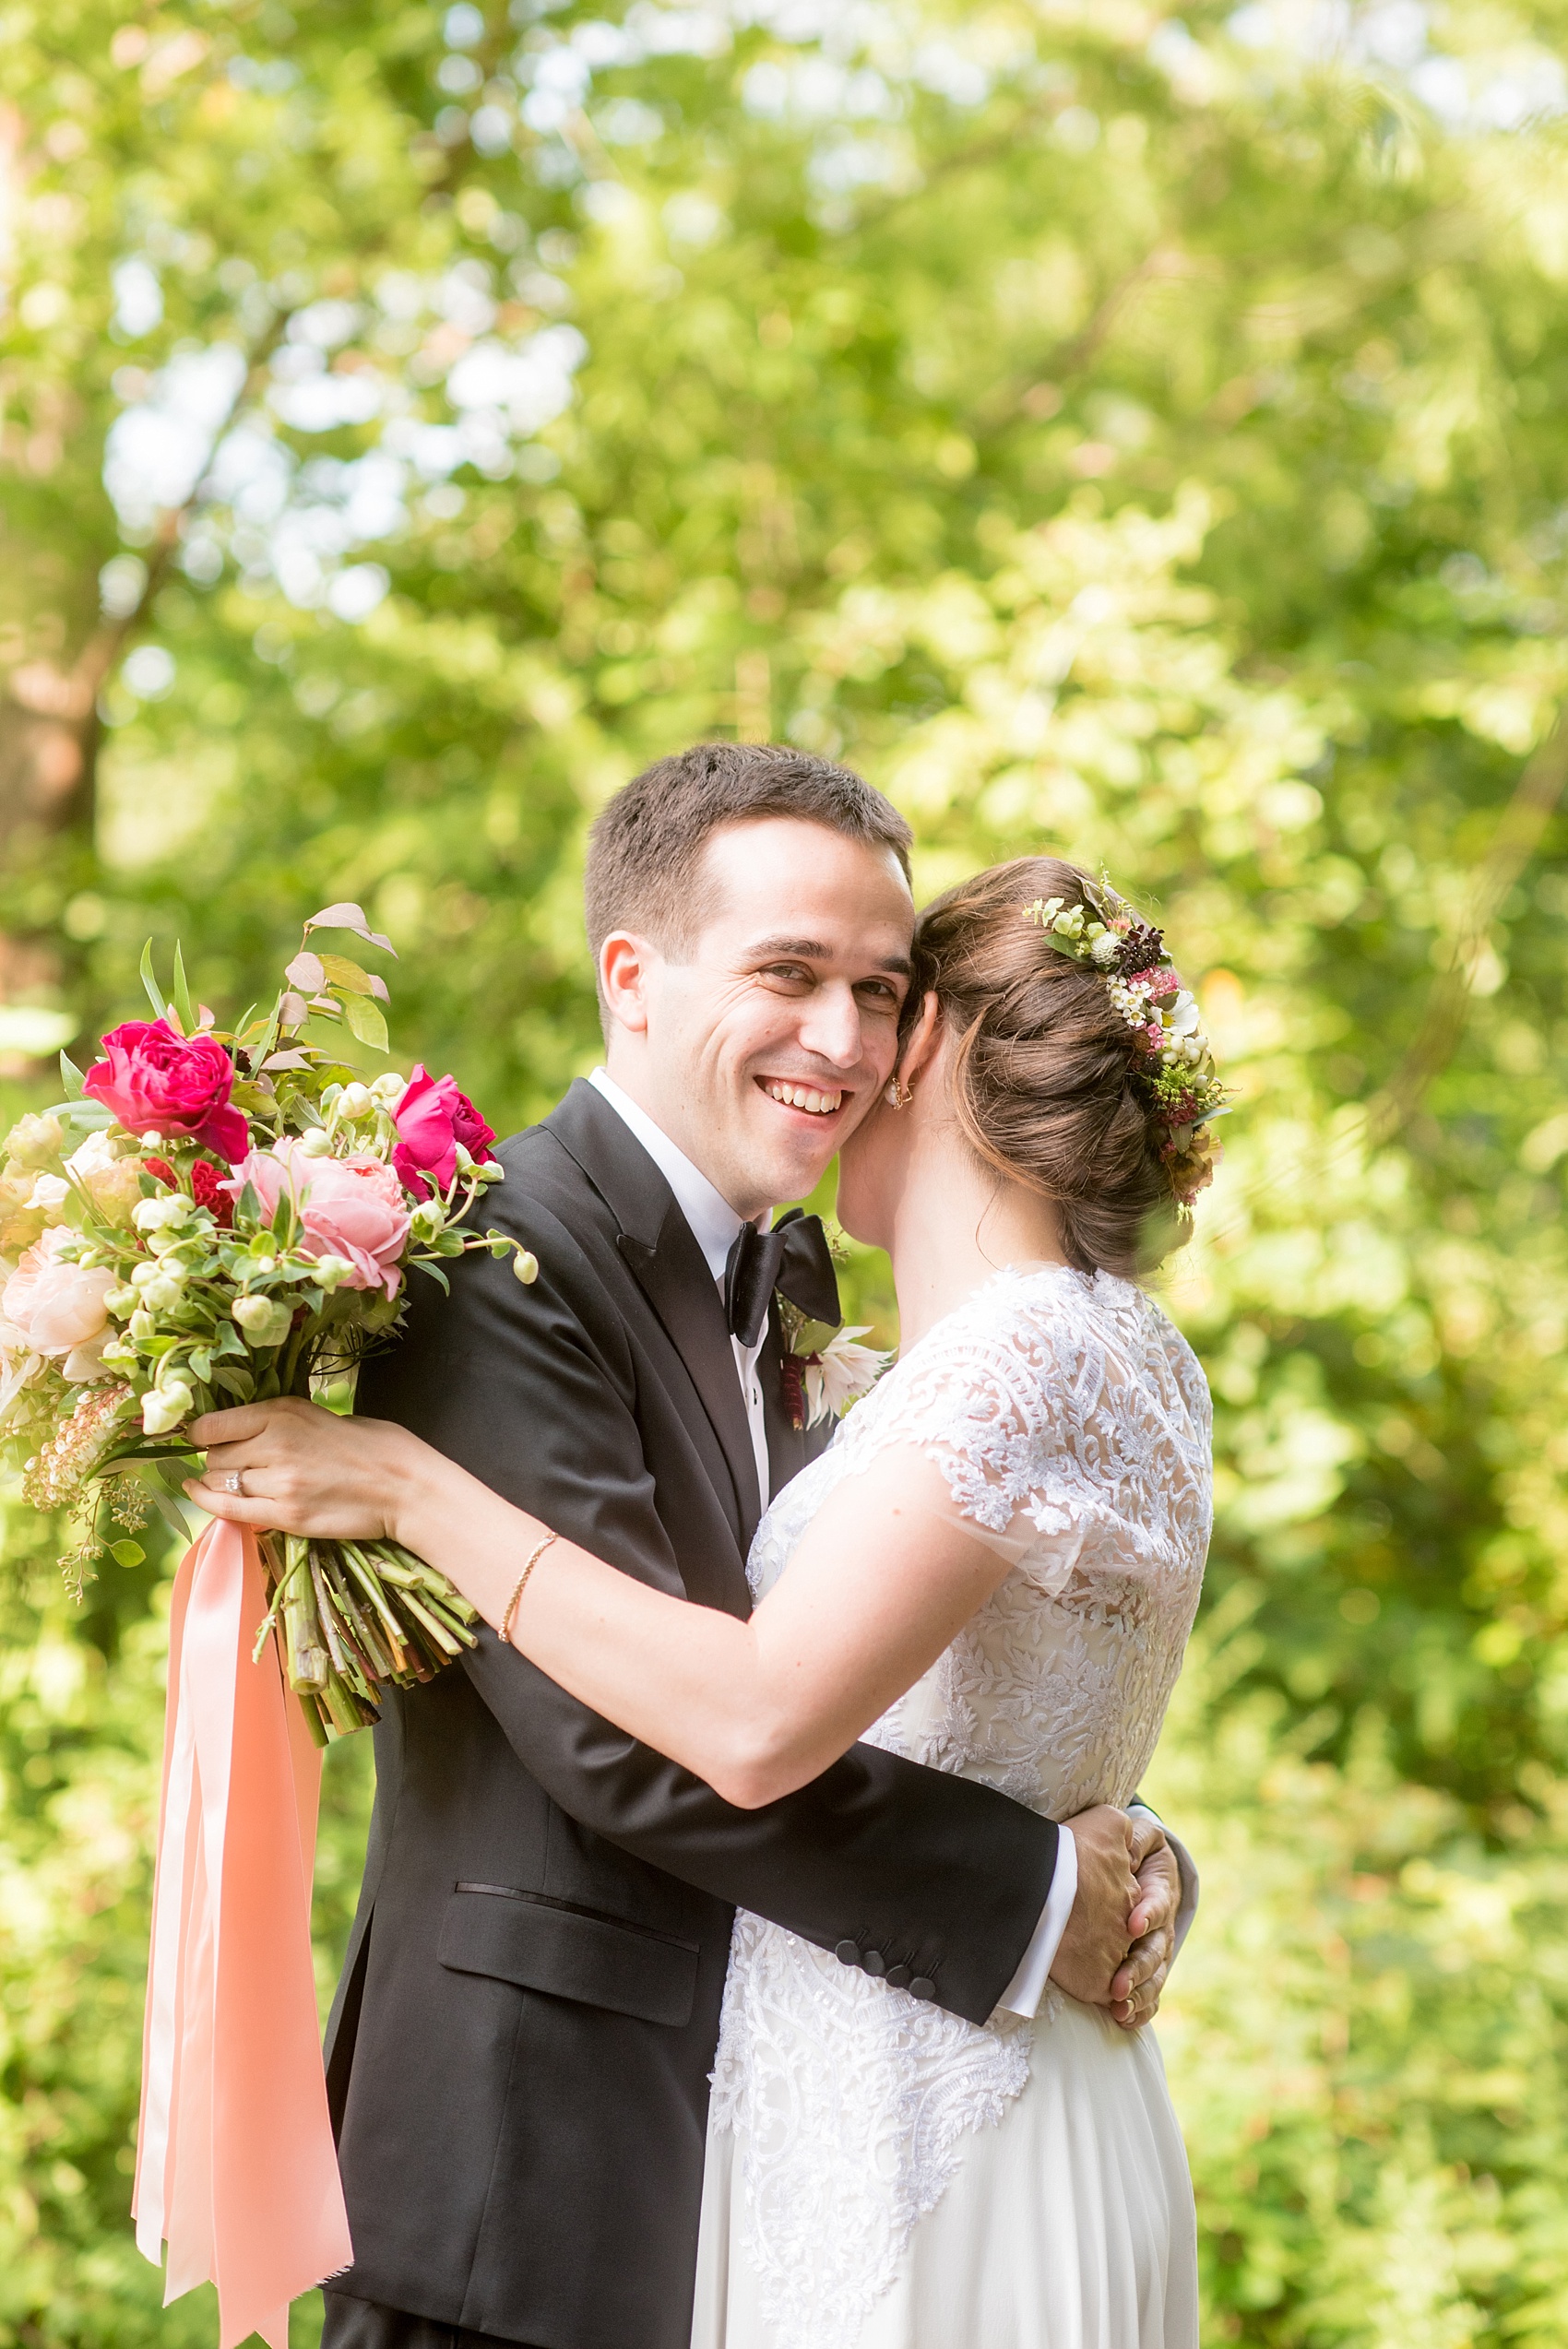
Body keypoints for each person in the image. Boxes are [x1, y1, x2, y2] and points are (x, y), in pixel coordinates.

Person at [191, 751, 1197, 2349]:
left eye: (882, 992)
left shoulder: (802, 1271)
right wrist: (1022, 1893)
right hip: (527, 2183)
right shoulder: (495, 1252)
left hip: (776, 2162)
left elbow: (885, 1670)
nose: (845, 1041)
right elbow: (631, 1742)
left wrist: (1109, 1838)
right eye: (789, 975)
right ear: (633, 978)